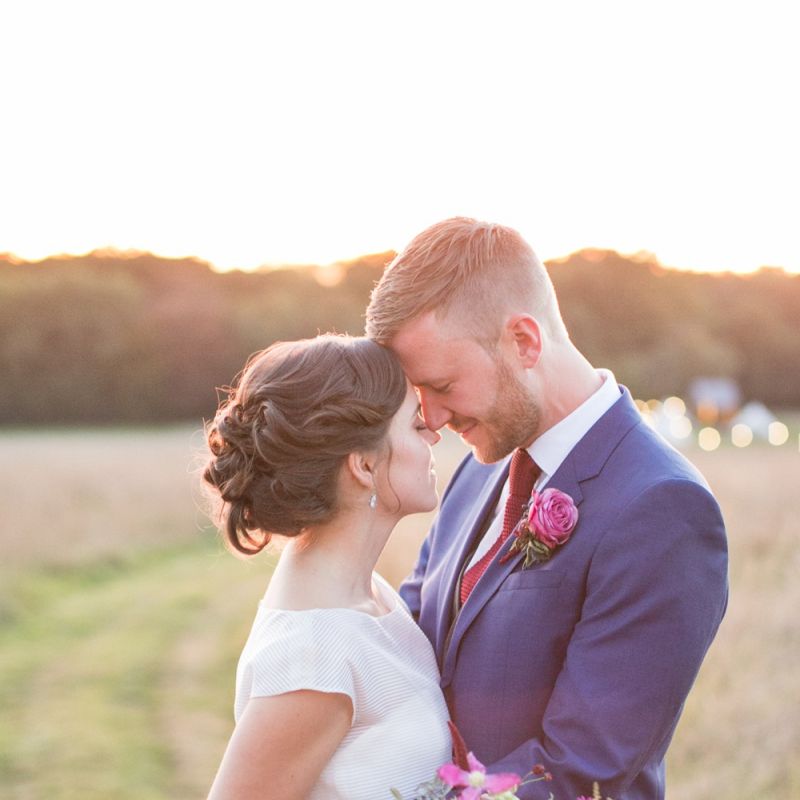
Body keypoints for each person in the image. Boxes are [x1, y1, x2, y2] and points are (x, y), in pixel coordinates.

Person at [365, 217, 729, 800]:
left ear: (524, 342)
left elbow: (579, 767)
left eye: (442, 386)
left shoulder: (664, 508)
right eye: (418, 395)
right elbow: (410, 650)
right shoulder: (479, 470)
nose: (430, 419)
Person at [202, 334, 451, 800]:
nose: (435, 433)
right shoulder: (314, 657)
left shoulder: (370, 595)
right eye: (416, 425)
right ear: (362, 465)